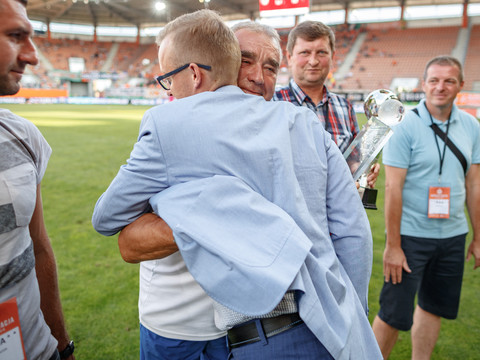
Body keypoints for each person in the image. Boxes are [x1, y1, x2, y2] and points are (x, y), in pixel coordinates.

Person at [92, 10, 381, 360]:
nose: (258, 77)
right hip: (184, 325)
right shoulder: (173, 126)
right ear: (222, 61)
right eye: (245, 60)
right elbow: (128, 241)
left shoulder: (297, 126)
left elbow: (351, 229)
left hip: (258, 332)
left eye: (272, 67)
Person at [372, 55, 480, 359]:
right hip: (410, 238)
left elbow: (474, 185)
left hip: (452, 237)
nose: (440, 87)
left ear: (460, 84)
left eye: (448, 80)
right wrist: (393, 246)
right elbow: (393, 188)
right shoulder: (405, 125)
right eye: (434, 80)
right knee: (393, 315)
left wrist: (478, 237)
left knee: (433, 308)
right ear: (423, 85)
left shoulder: (471, 125)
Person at [0, 1, 75, 359]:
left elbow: (39, 247)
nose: (32, 56)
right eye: (16, 36)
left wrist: (62, 345)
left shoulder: (23, 136)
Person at [274, 20, 379, 187]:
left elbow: (353, 159)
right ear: (289, 58)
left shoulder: (345, 107)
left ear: (333, 57)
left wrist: (361, 170)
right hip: (287, 210)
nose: (313, 61)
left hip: (336, 210)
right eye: (305, 53)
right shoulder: (272, 102)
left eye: (321, 52)